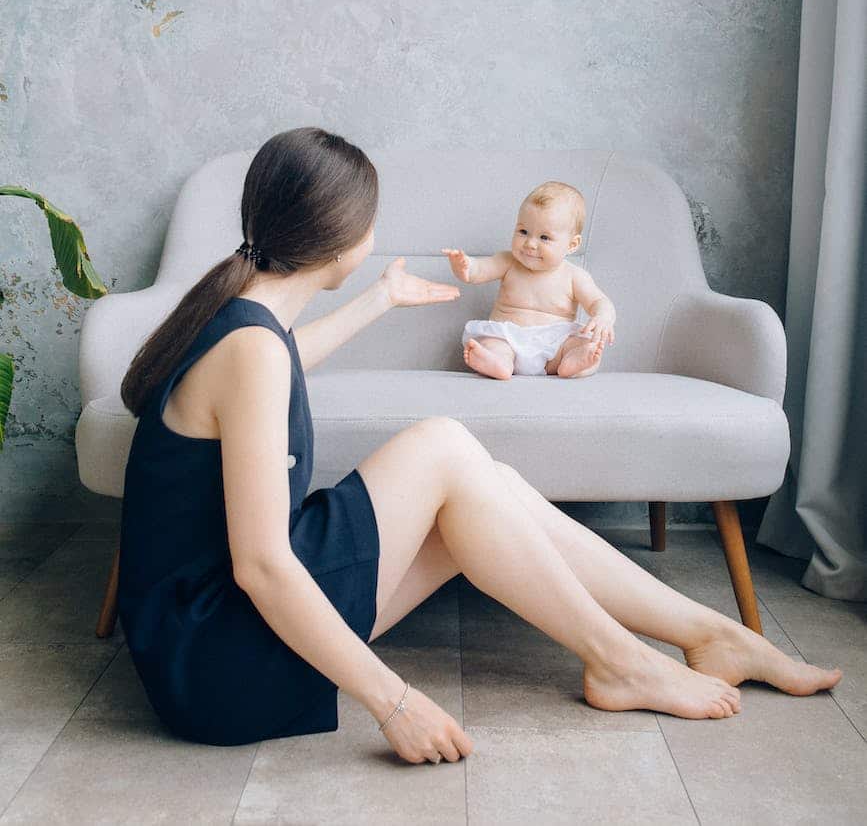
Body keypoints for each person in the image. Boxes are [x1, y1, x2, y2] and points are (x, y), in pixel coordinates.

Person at [117, 127, 842, 763]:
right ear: (344, 241)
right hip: (214, 664)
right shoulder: (252, 348)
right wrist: (393, 700)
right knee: (442, 447)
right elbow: (264, 568)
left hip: (208, 641)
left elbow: (277, 362)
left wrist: (380, 300)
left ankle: (706, 633)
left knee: (479, 485)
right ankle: (622, 661)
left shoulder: (245, 324)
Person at [443, 179, 615, 380]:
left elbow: (598, 301)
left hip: (555, 344)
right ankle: (498, 363)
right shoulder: (508, 261)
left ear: (571, 244)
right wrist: (464, 266)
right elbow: (478, 271)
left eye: (544, 238)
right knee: (494, 344)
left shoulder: (574, 276)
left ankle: (575, 361)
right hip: (508, 339)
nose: (530, 244)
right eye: (523, 232)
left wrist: (603, 317)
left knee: (582, 344)